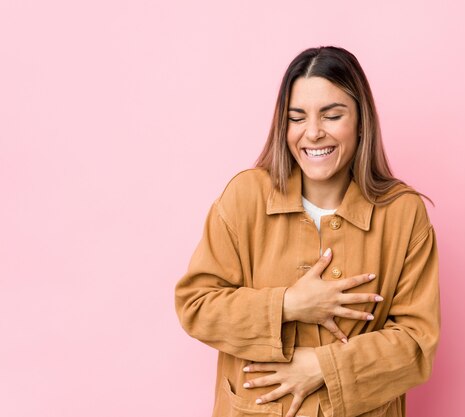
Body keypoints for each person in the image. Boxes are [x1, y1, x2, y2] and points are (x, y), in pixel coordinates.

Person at [174, 46, 441, 417]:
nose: (313, 133)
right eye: (297, 117)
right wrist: (288, 305)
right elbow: (196, 305)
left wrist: (323, 367)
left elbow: (416, 343)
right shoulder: (245, 197)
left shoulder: (403, 212)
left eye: (332, 116)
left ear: (361, 121)